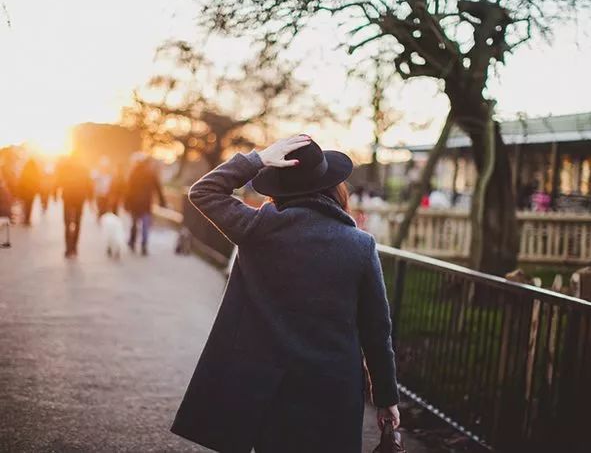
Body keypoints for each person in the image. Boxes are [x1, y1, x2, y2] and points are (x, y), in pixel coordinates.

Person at [171, 135, 400, 453]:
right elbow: (377, 331)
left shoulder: (255, 228)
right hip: (334, 387)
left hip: (269, 385)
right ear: (334, 188)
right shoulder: (360, 245)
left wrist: (257, 160)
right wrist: (386, 398)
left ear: (278, 189)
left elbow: (203, 191)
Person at [124, 155, 166, 255]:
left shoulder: (134, 173)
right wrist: (162, 202)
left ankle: (132, 242)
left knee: (134, 224)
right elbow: (158, 188)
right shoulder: (151, 174)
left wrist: (126, 203)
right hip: (146, 204)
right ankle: (144, 245)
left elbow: (128, 189)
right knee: (145, 226)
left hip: (134, 203)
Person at [55, 153, 94, 258]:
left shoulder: (65, 168)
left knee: (67, 223)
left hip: (68, 198)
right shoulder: (84, 169)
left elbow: (58, 181)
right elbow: (89, 184)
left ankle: (68, 249)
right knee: (77, 223)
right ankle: (75, 248)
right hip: (79, 199)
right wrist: (90, 199)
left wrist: (54, 194)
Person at [17, 158, 42, 225]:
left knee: (25, 205)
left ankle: (26, 218)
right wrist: (37, 190)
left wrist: (20, 191)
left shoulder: (25, 170)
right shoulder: (35, 171)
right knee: (30, 205)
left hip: (26, 191)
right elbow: (37, 181)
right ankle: (28, 219)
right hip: (31, 192)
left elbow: (21, 181)